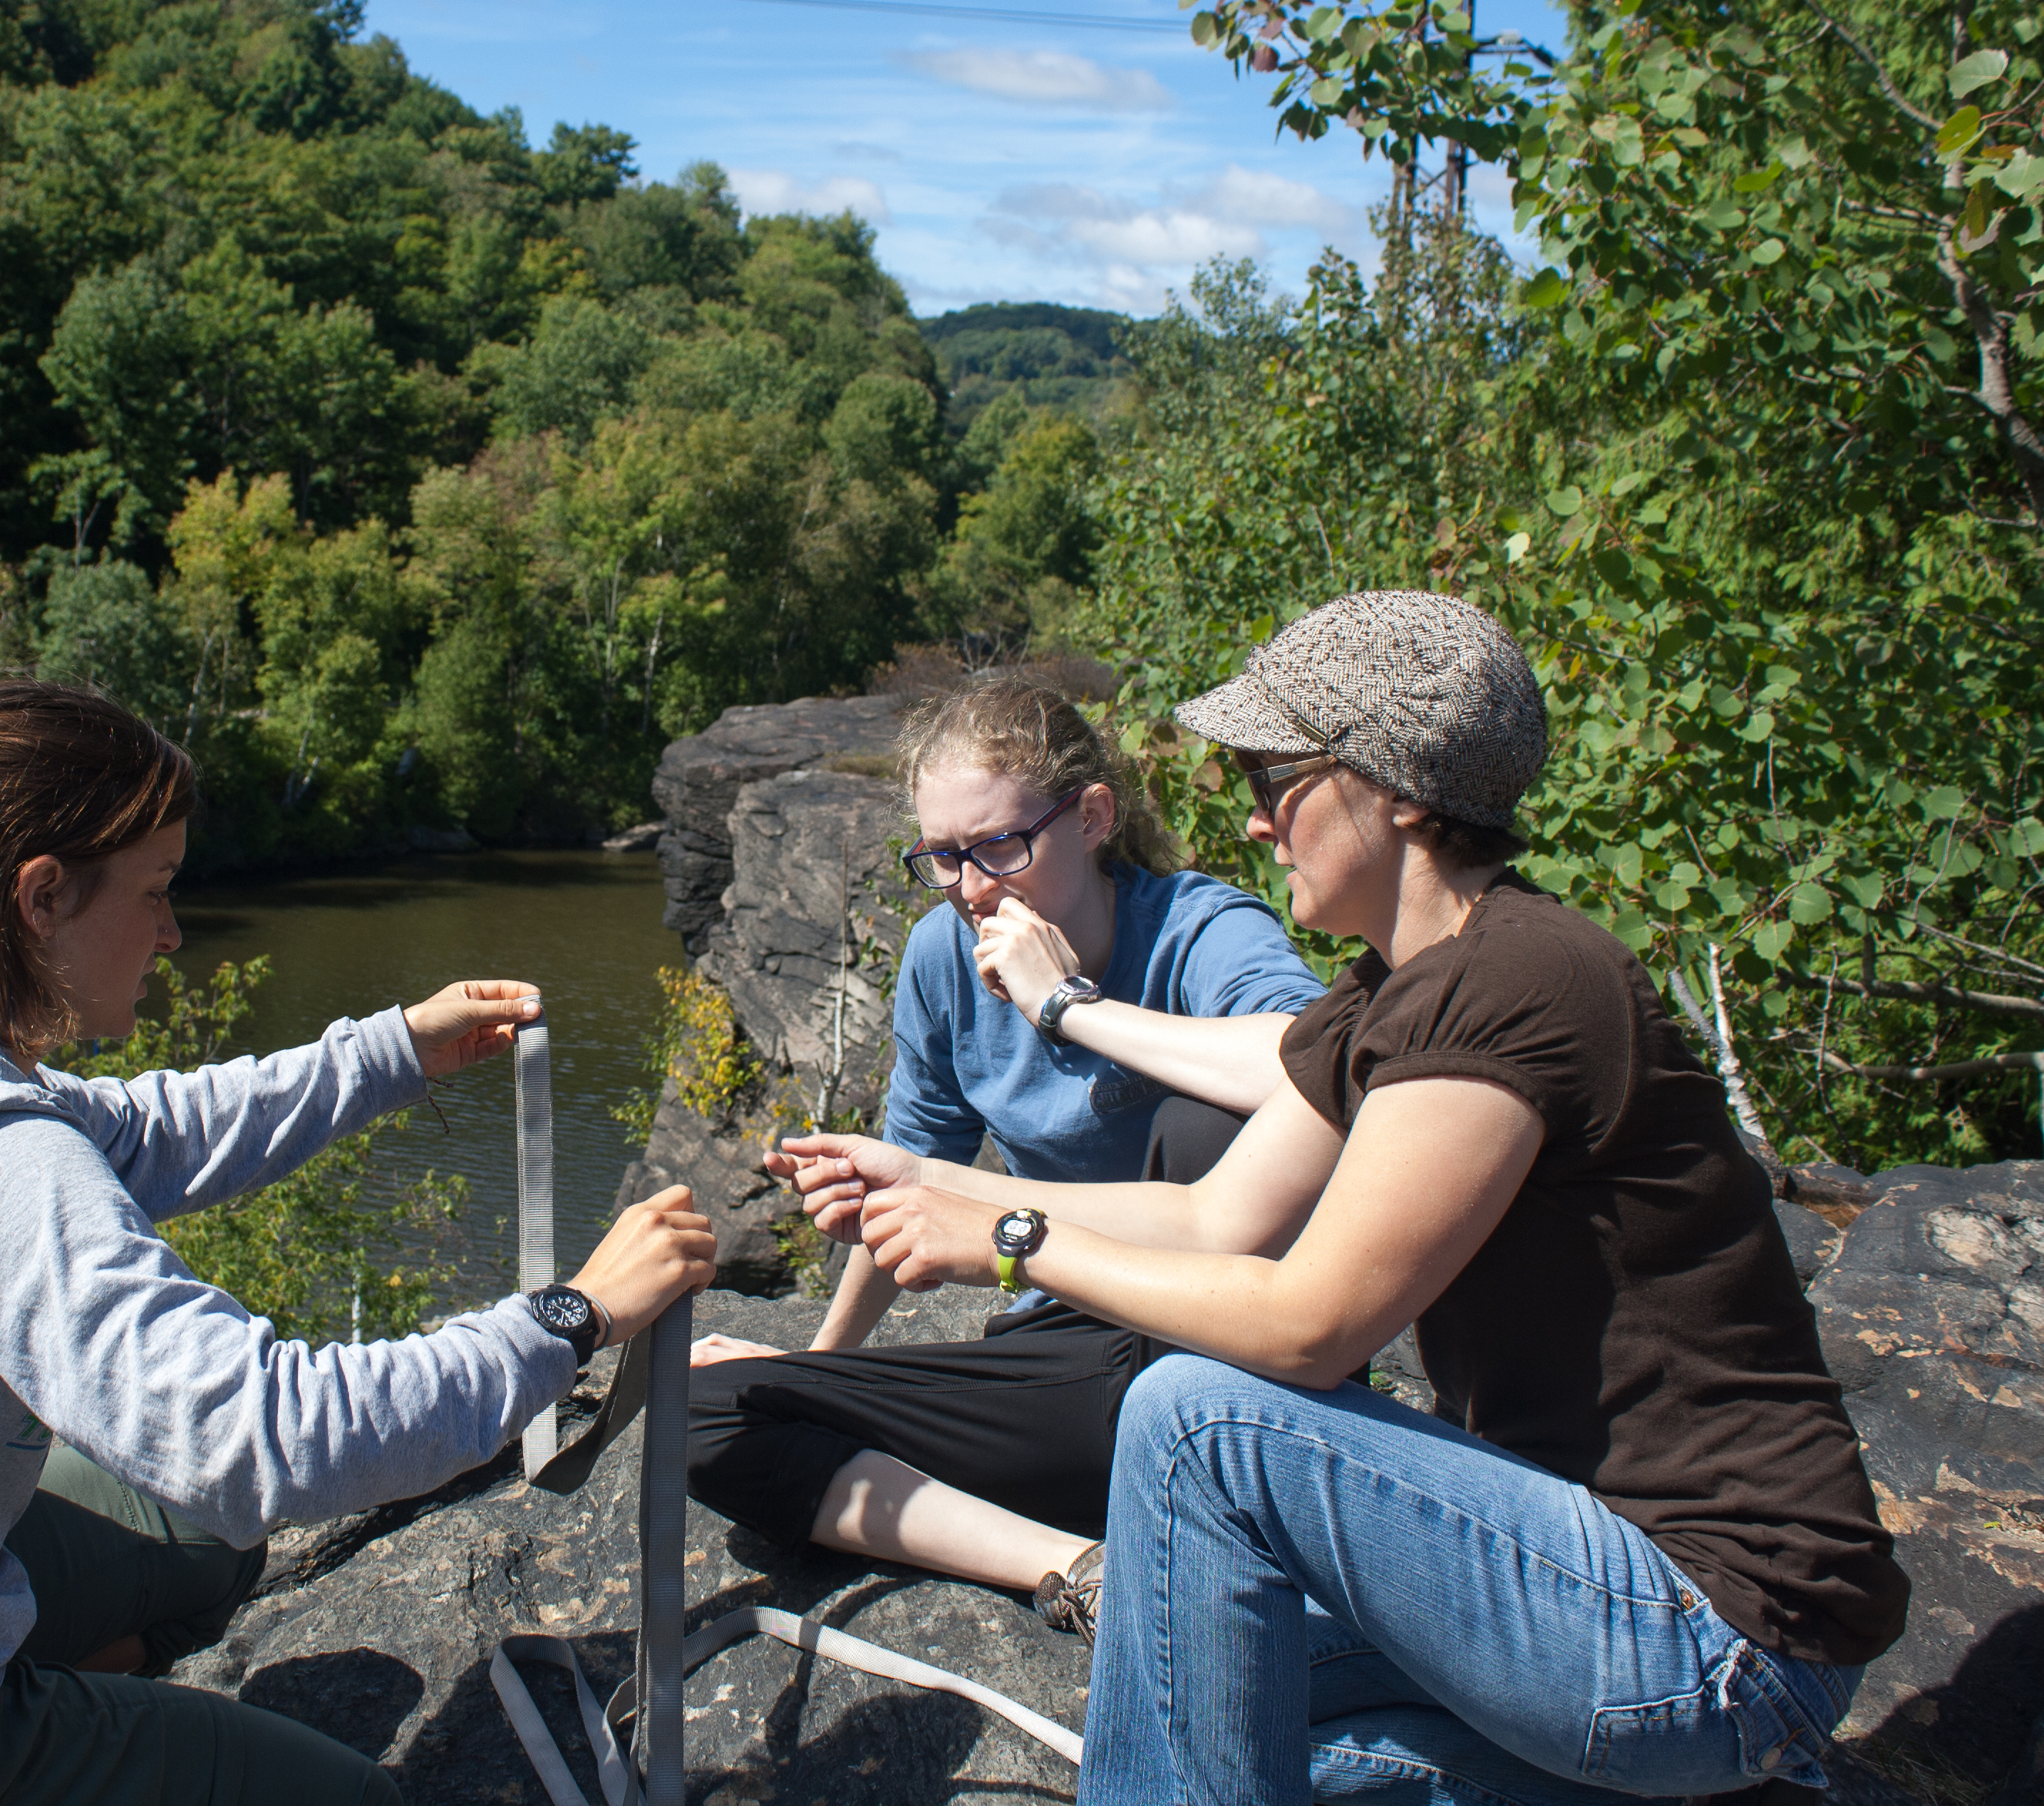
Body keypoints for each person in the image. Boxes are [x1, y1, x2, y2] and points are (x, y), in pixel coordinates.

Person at [778, 592, 1906, 1803]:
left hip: (1713, 1632)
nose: (1259, 823)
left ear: (1401, 791)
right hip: (1574, 1572)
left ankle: (1709, 1765)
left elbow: (1311, 1327)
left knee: (1196, 1421)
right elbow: (1219, 1220)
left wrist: (1011, 1235)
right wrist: (932, 1184)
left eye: (1280, 780)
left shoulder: (1519, 982)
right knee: (1176, 1681)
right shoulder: (1391, 997)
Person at [0, 678, 719, 1806]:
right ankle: (5, 1737)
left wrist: (392, 1051)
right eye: (157, 893)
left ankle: (64, 1694)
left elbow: (129, 1132)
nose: (174, 934)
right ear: (39, 898)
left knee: (205, 1543)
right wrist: (574, 1316)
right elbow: (259, 1438)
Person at [682, 674, 1323, 1628]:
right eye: (943, 857)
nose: (974, 888)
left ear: (1094, 816)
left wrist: (1072, 1007)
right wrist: (822, 1377)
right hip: (1065, 1361)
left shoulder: (1197, 930)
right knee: (708, 1414)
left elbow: (1328, 1064)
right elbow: (906, 1168)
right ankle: (1082, 1571)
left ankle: (1204, 1508)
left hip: (1219, 1351)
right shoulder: (943, 955)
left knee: (1210, 1122)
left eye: (1001, 847)